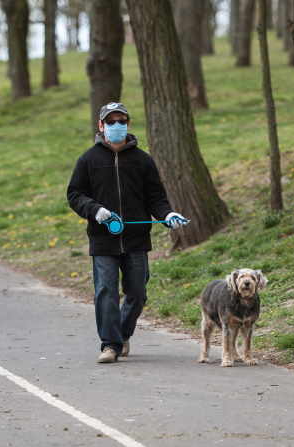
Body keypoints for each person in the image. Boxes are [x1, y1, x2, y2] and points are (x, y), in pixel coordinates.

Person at [66, 102, 189, 363]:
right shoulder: (88, 160)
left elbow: (156, 197)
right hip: (103, 240)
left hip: (136, 240)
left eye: (121, 121)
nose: (116, 126)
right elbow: (74, 194)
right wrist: (94, 209)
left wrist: (167, 215)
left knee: (137, 293)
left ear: (128, 124)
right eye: (110, 122)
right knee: (106, 291)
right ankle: (110, 345)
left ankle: (121, 334)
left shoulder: (143, 161)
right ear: (101, 126)